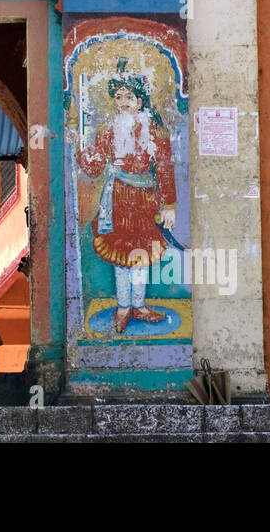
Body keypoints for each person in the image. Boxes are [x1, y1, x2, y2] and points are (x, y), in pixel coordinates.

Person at [75, 58, 176, 334]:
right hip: (117, 199)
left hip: (145, 200)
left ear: (140, 99)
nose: (123, 102)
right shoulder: (110, 132)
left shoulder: (155, 131)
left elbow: (165, 167)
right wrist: (80, 147)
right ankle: (123, 307)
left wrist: (169, 205)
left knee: (141, 255)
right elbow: (94, 167)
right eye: (118, 97)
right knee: (120, 255)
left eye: (128, 96)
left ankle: (139, 306)